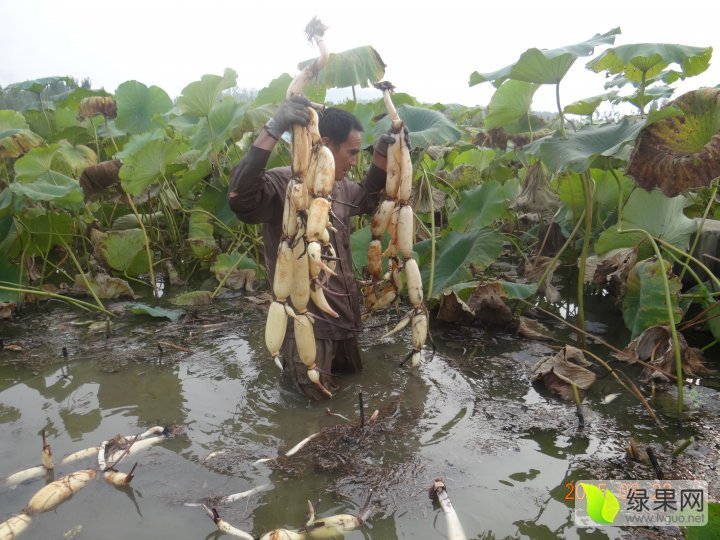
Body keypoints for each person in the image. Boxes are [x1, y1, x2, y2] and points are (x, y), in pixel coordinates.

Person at [228, 96, 396, 400]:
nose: (355, 161)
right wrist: (273, 128)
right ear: (327, 144)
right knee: (307, 405)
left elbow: (368, 197)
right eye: (352, 152)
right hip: (305, 324)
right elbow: (240, 198)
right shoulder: (285, 184)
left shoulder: (340, 186)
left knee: (352, 391)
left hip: (344, 318)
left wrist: (384, 152)